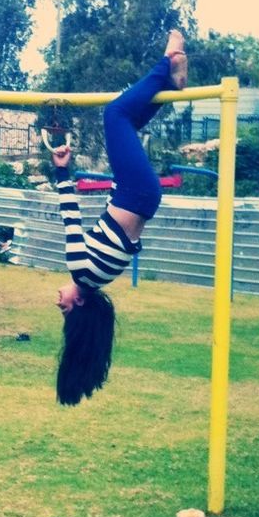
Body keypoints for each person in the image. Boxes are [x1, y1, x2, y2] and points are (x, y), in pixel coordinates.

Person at [52, 30, 188, 405]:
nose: (58, 301)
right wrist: (62, 172)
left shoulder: (102, 278)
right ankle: (170, 59)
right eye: (63, 307)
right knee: (114, 113)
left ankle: (171, 82)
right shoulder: (81, 271)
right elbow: (70, 217)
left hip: (141, 198)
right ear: (78, 303)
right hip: (135, 191)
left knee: (126, 122)